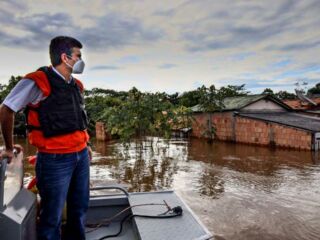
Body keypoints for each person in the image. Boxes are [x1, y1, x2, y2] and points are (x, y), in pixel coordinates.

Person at [0, 36, 92, 240]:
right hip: (54, 160)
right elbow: (6, 109)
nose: (81, 59)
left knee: (79, 209)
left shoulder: (77, 85)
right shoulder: (36, 81)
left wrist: (87, 145)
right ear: (65, 57)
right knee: (52, 217)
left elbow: (78, 120)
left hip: (80, 156)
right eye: (78, 55)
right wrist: (8, 146)